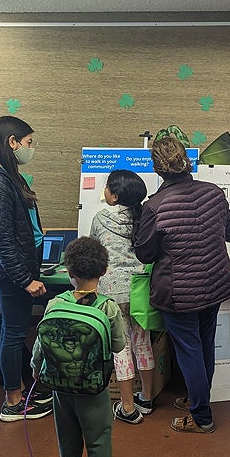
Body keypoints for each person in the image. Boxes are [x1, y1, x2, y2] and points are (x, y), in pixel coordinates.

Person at [133, 135, 230, 434]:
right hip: (215, 282)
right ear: (186, 162)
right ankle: (198, 399)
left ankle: (201, 416)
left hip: (179, 291)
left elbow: (145, 252)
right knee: (205, 344)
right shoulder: (214, 193)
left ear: (157, 168)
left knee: (189, 350)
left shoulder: (154, 206)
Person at [31, 236, 139, 457]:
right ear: (104, 271)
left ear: (68, 271)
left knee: (66, 435)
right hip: (93, 388)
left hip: (60, 387)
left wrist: (35, 369)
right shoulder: (108, 308)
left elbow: (39, 347)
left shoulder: (55, 304)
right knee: (98, 436)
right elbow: (116, 346)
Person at [0, 116, 53, 421]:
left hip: (16, 269)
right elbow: (2, 239)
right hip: (11, 274)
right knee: (14, 333)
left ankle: (21, 388)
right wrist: (25, 279)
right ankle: (13, 401)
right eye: (28, 143)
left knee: (15, 332)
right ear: (12, 142)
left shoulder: (6, 175)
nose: (30, 149)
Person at [90, 169, 155, 425]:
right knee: (143, 343)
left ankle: (127, 407)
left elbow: (92, 251)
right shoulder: (145, 217)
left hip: (111, 294)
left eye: (107, 187)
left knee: (122, 348)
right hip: (140, 291)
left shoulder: (100, 218)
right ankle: (146, 398)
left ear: (114, 196)